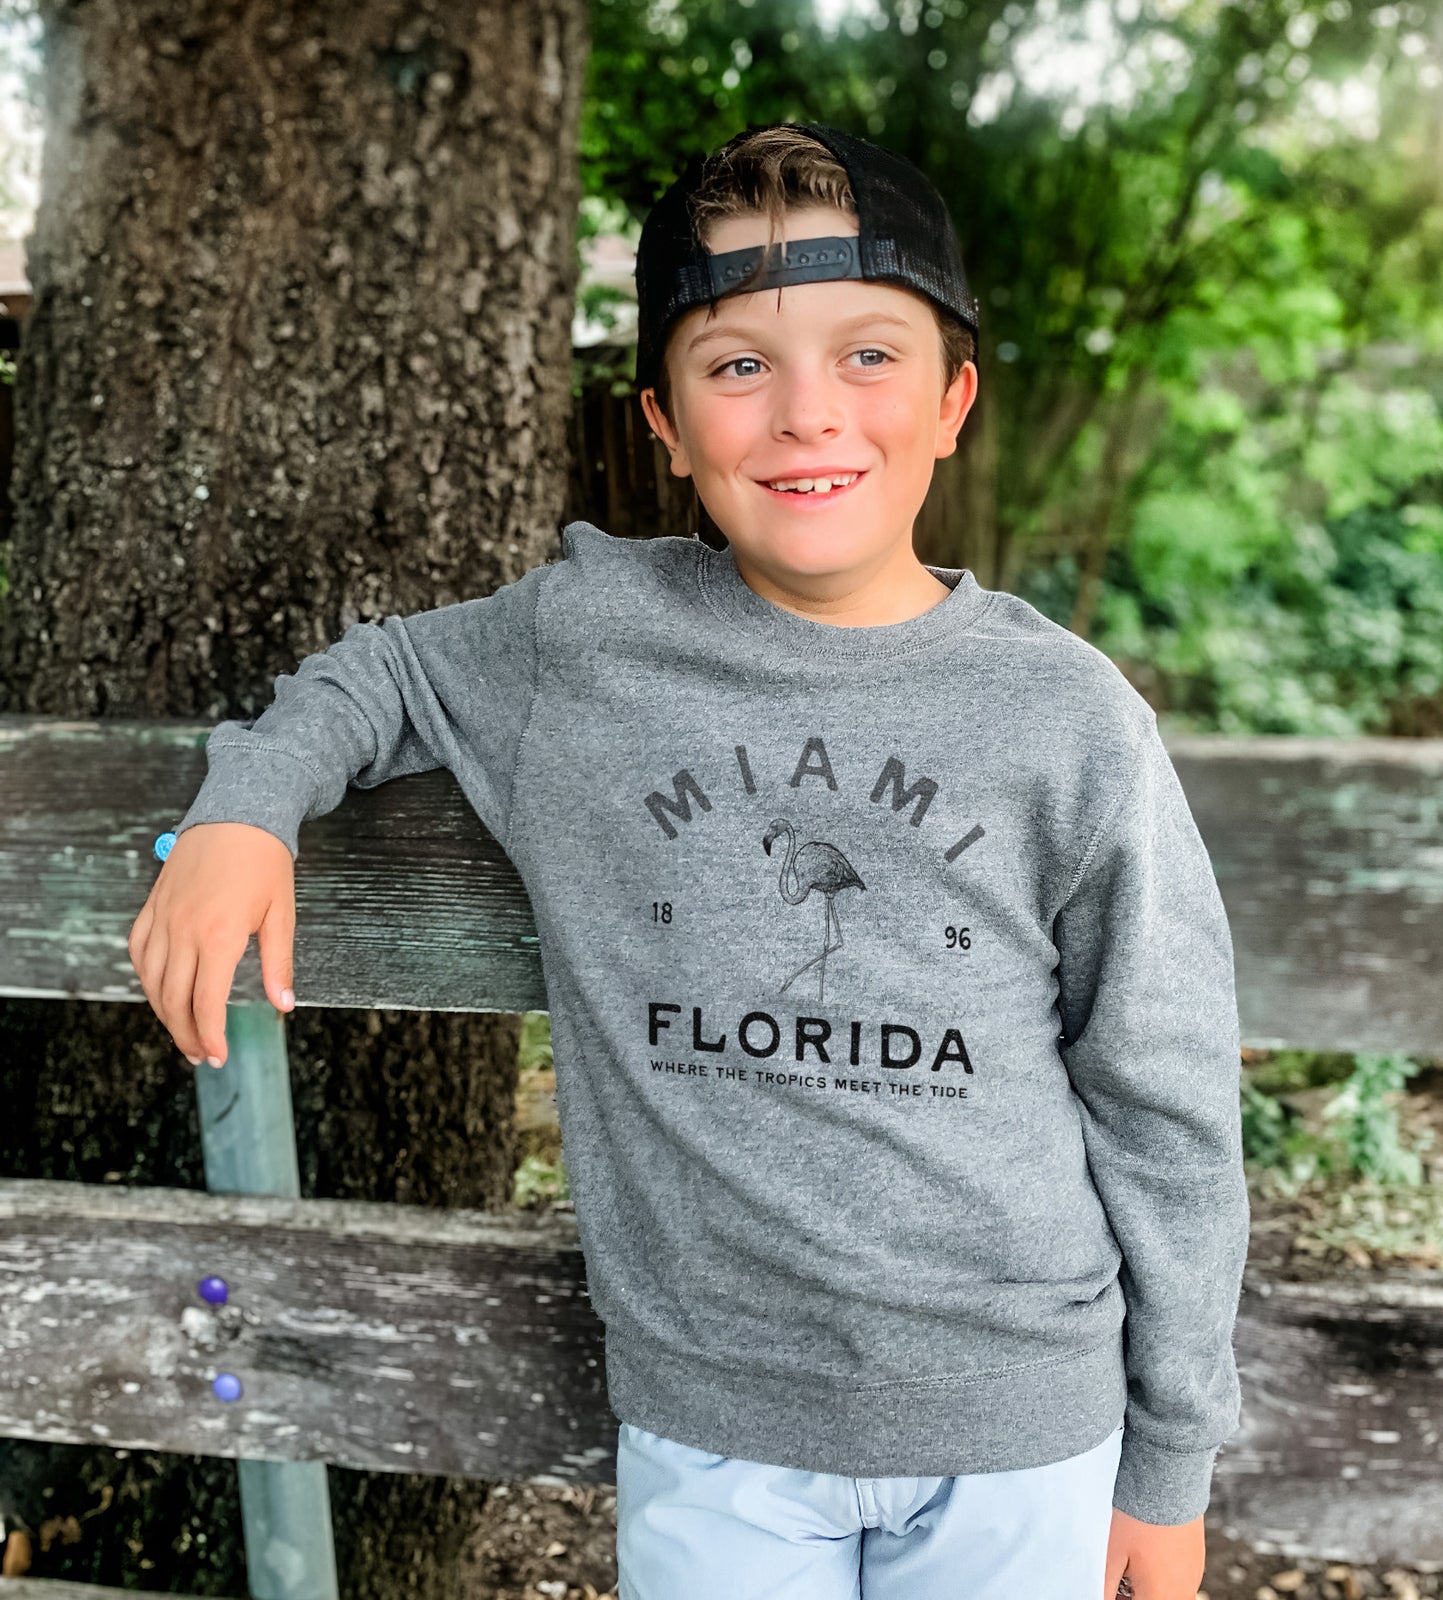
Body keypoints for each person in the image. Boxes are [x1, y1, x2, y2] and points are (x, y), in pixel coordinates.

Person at [127, 120, 1249, 1600]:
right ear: (664, 424)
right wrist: (241, 812)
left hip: (1020, 1421)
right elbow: (378, 674)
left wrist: (1168, 1462)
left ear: (952, 401)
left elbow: (1165, 1099)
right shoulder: (585, 644)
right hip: (713, 1424)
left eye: (868, 356)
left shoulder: (1069, 716)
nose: (806, 414)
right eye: (738, 366)